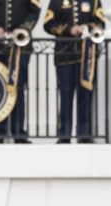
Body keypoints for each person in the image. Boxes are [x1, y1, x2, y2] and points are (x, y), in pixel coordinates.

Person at [44, 0, 105, 143]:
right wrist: (68, 30)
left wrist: (87, 27)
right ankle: (64, 134)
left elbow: (100, 22)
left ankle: (84, 134)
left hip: (86, 56)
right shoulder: (56, 2)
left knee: (85, 96)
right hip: (65, 55)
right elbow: (48, 24)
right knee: (65, 95)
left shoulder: (93, 1)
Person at [0, 0, 40, 143]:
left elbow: (34, 11)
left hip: (21, 46)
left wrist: (22, 29)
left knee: (18, 88)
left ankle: (18, 132)